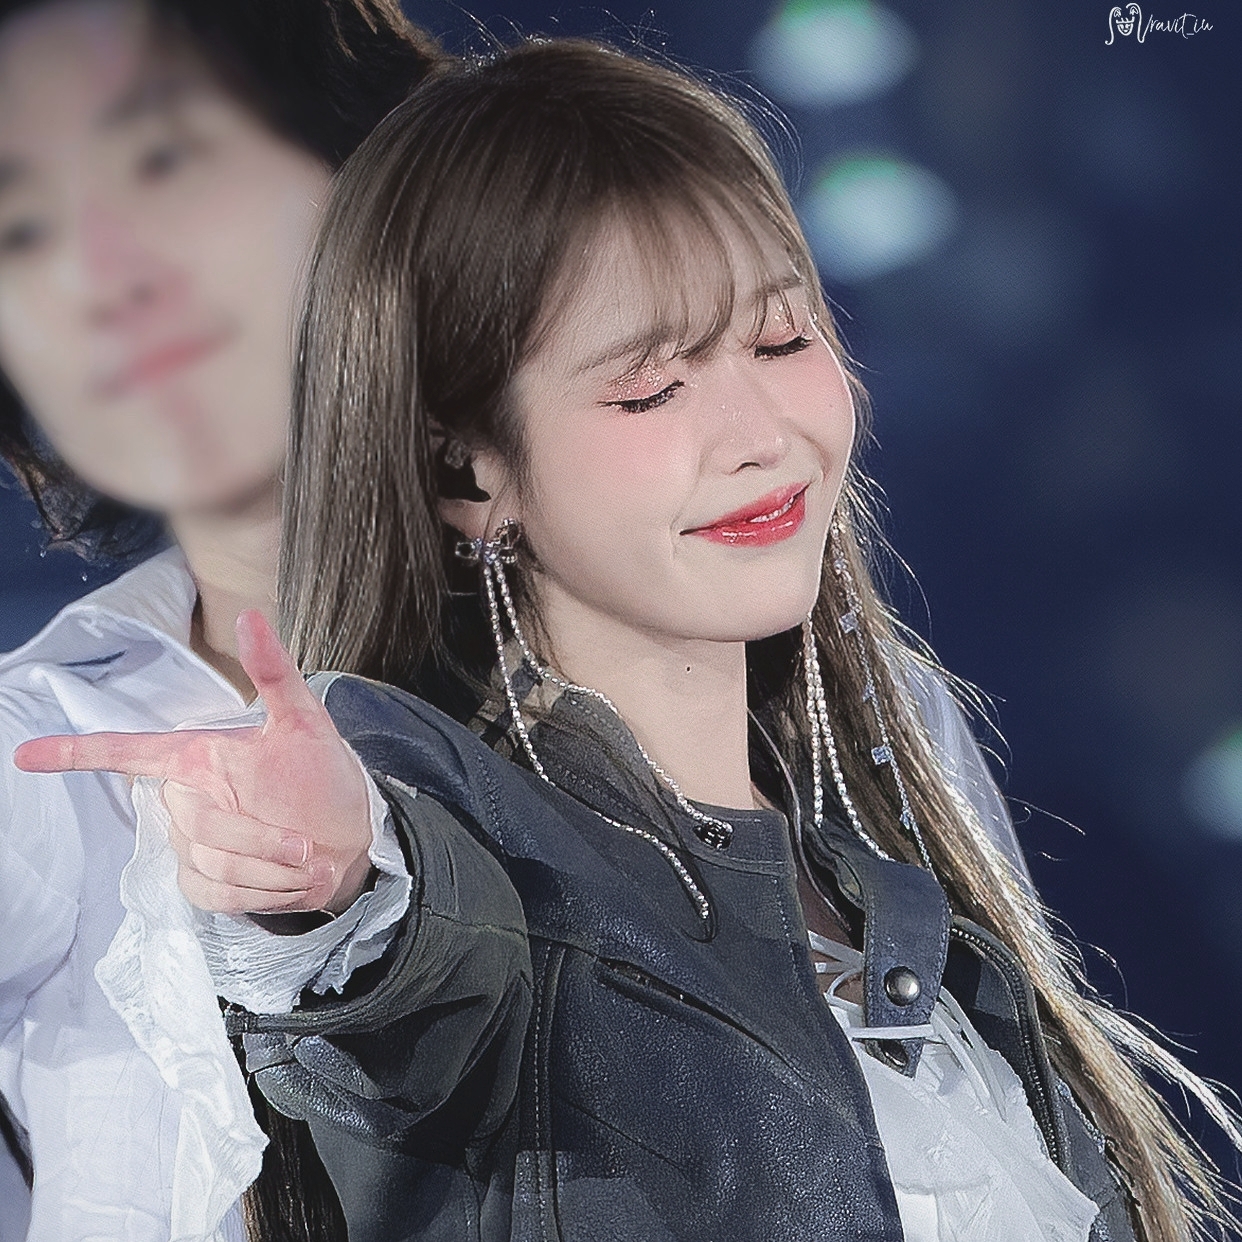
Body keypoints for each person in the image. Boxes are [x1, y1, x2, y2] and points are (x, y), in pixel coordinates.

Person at [17, 37, 1241, 1242]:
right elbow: (414, 975)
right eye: (650, 389)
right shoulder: (459, 855)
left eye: (782, 340)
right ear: (469, 470)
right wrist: (330, 897)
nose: (758, 435)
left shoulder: (894, 816)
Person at [0, 2, 439, 1238]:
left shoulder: (745, 688)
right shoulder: (45, 758)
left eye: (162, 158)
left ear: (367, 162)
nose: (101, 273)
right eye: (19, 229)